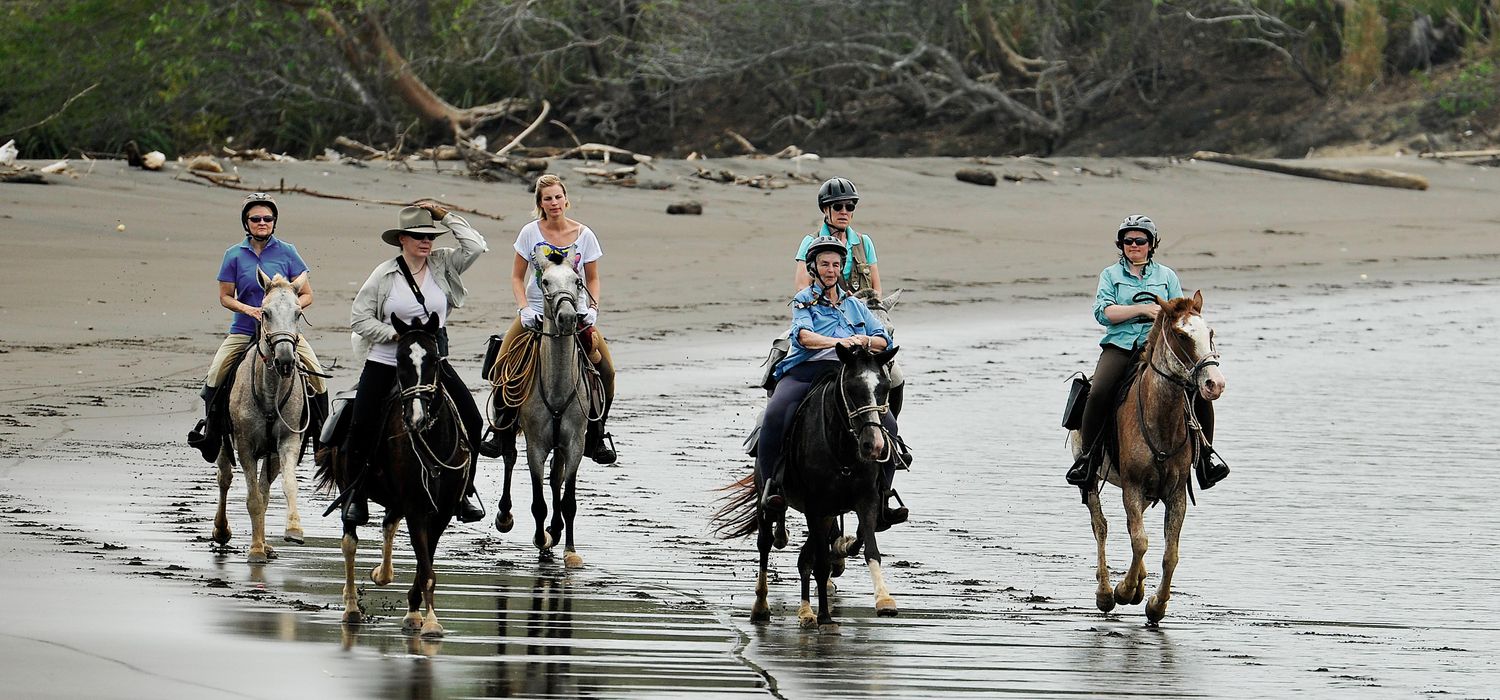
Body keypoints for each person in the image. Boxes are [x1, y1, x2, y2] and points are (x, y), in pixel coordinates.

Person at [339, 200, 487, 526]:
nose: (426, 241)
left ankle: (465, 491)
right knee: (359, 425)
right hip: (386, 361)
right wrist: (393, 336)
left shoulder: (444, 263)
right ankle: (356, 495)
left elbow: (476, 246)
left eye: (431, 236)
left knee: (473, 422)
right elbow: (358, 318)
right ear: (402, 239)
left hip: (432, 362)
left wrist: (445, 214)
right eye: (419, 235)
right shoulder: (384, 274)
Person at [1064, 214, 1230, 491]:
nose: (1134, 245)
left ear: (1151, 244)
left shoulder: (1166, 276)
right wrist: (1141, 310)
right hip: (1120, 346)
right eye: (1128, 241)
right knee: (1099, 391)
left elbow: (1183, 313)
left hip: (1159, 350)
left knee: (1198, 391)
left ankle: (1206, 458)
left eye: (1140, 240)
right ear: (1121, 244)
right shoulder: (1110, 275)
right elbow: (1103, 313)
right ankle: (1088, 459)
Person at [760, 235, 907, 531]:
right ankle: (771, 487)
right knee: (775, 415)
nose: (831, 269)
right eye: (825, 264)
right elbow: (803, 337)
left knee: (888, 424)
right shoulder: (803, 301)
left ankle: (883, 496)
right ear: (814, 267)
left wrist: (865, 340)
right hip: (807, 370)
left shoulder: (854, 305)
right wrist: (839, 341)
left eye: (836, 264)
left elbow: (884, 338)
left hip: (846, 374)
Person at [480, 174, 617, 464]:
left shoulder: (585, 235)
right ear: (540, 204)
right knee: (502, 363)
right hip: (537, 313)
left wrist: (592, 308)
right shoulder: (530, 233)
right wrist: (523, 309)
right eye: (547, 198)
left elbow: (592, 278)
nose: (553, 203)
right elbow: (518, 277)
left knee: (606, 370)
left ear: (566, 199)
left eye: (557, 197)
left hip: (575, 313)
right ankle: (499, 429)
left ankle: (598, 432)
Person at [188, 193, 328, 462]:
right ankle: (212, 436)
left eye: (268, 218)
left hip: (282, 332)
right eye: (256, 219)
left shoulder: (288, 251)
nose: (262, 223)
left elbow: (307, 294)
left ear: (274, 222)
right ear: (246, 222)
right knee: (216, 375)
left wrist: (289, 310)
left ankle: (322, 438)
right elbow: (225, 296)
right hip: (243, 330)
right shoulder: (233, 255)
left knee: (317, 374)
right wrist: (249, 309)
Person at [793, 177, 881, 297]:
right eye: (837, 207)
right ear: (825, 209)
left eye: (849, 207)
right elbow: (802, 288)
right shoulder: (810, 242)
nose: (844, 212)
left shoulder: (864, 242)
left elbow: (877, 290)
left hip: (861, 313)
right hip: (825, 313)